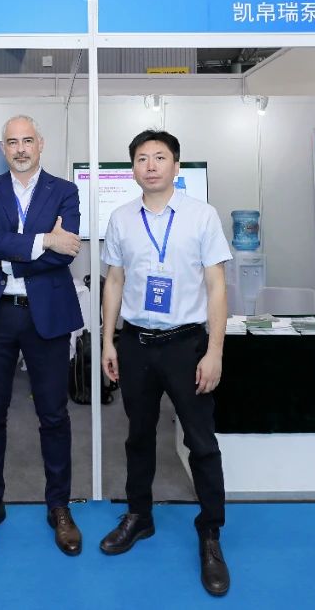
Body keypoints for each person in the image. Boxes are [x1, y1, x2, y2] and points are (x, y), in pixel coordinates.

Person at [98, 129, 232, 597]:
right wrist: (108, 341)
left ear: (176, 166)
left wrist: (215, 351)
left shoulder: (201, 216)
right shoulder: (121, 218)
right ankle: (140, 515)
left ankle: (210, 532)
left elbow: (216, 286)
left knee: (201, 442)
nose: (150, 165)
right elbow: (114, 281)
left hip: (186, 345)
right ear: (132, 168)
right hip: (136, 343)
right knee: (138, 435)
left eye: (160, 157)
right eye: (141, 158)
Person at [0, 114, 85, 555]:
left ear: (41, 143)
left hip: (46, 315)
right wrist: (43, 241)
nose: (20, 149)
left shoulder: (64, 191)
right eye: (12, 142)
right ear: (3, 148)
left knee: (54, 415)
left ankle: (59, 507)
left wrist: (6, 259)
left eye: (27, 140)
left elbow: (67, 253)